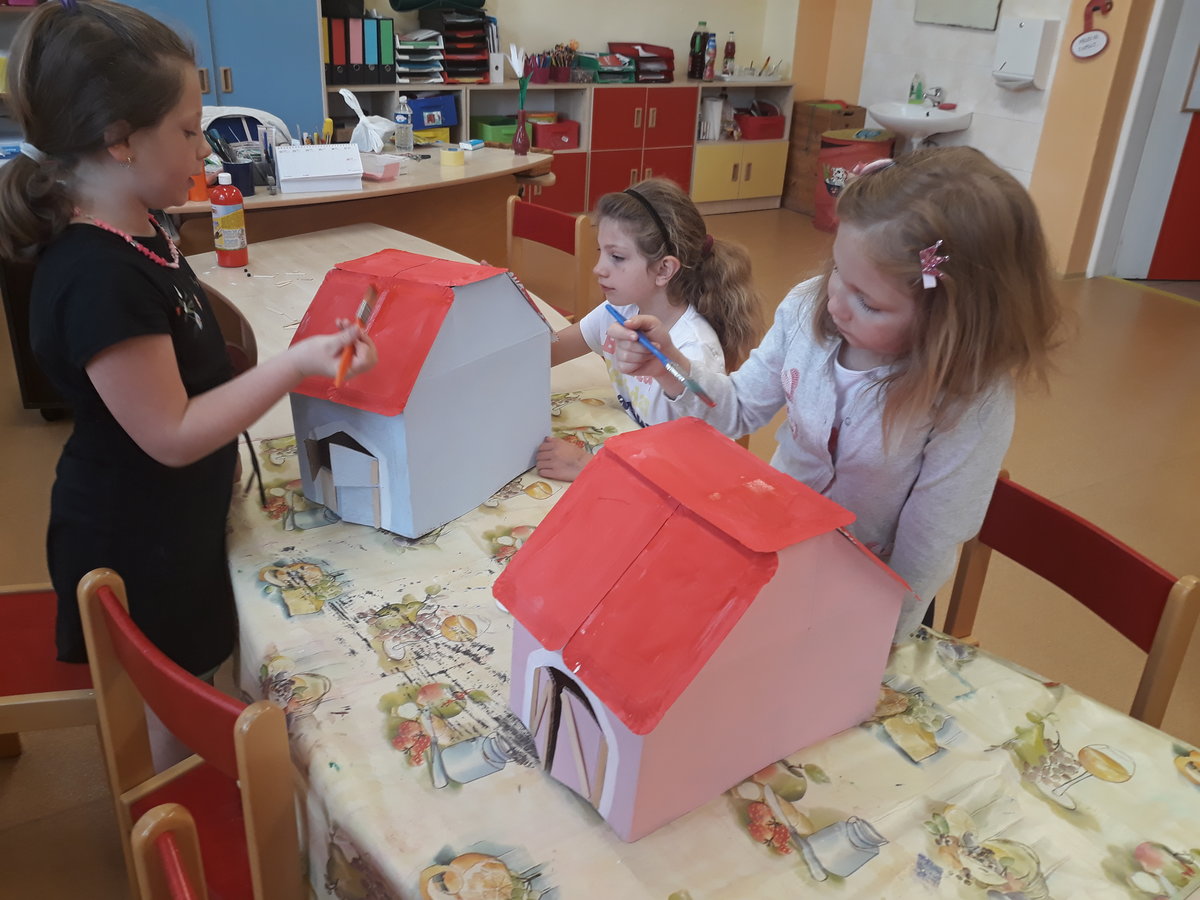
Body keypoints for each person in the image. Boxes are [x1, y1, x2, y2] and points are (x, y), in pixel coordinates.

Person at [0, 0, 377, 678]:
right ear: (121, 140)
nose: (204, 149)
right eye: (188, 129)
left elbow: (183, 369)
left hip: (176, 516)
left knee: (208, 664)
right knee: (173, 702)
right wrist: (294, 363)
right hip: (138, 544)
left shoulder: (143, 228)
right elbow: (171, 433)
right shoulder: (98, 277)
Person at [608, 148, 1063, 640]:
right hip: (777, 551)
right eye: (838, 271)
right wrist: (670, 364)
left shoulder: (969, 397)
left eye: (869, 302)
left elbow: (925, 546)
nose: (837, 304)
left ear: (952, 322)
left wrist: (878, 640)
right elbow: (736, 409)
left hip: (876, 592)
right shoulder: (807, 307)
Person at [536, 177, 760, 481]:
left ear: (664, 269)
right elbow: (548, 352)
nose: (598, 268)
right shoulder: (620, 310)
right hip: (633, 452)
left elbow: (687, 473)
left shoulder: (693, 351)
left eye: (617, 257)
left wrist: (585, 466)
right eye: (600, 251)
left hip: (666, 481)